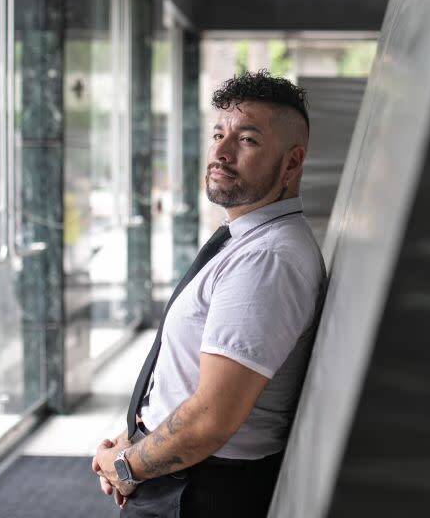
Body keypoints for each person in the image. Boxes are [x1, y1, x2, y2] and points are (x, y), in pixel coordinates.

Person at [92, 70, 325, 517]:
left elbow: (211, 418)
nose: (220, 151)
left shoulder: (267, 260)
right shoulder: (246, 241)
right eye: (219, 133)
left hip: (199, 493)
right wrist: (136, 442)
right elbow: (186, 384)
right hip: (182, 478)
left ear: (292, 163)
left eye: (248, 140)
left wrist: (126, 466)